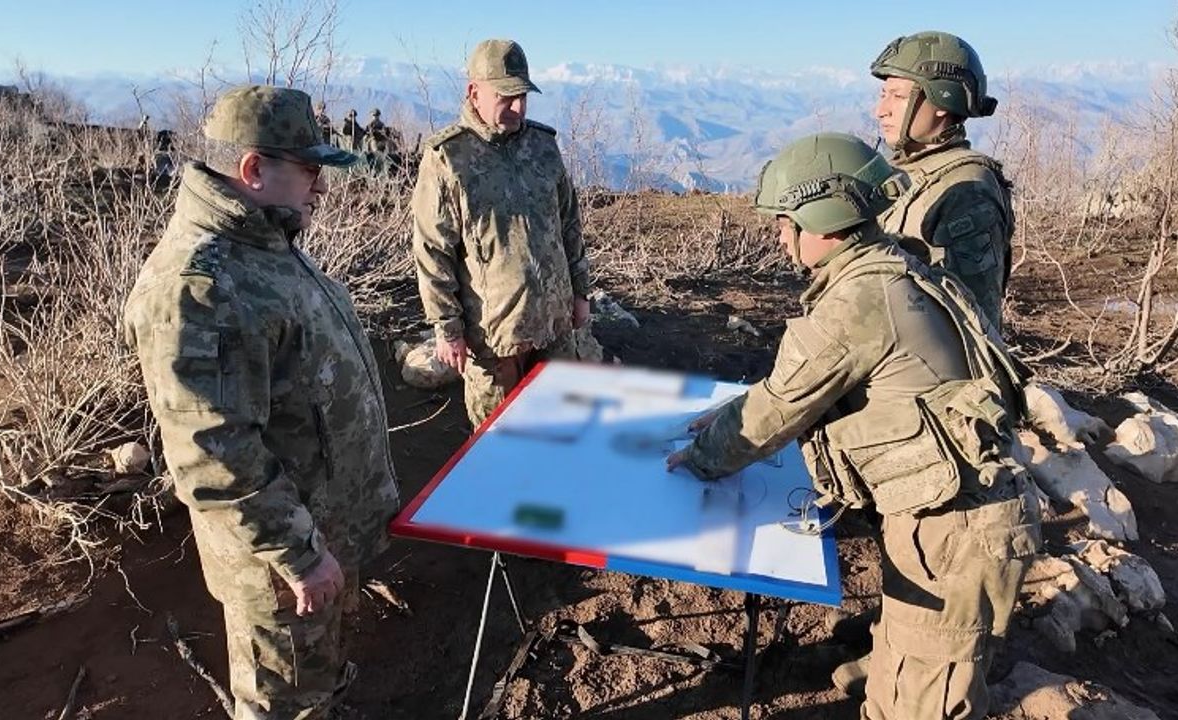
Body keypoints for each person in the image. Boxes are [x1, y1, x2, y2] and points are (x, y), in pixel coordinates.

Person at [666, 133, 1040, 720]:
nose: (781, 235)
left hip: (957, 533)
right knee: (896, 672)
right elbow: (800, 389)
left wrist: (700, 456)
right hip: (945, 518)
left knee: (922, 703)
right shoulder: (888, 268)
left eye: (788, 220)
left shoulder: (859, 302)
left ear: (826, 217)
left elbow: (770, 416)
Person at [122, 84, 401, 719]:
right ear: (254, 170)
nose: (321, 189)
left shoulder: (258, 243)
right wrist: (301, 556)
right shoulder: (201, 286)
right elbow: (215, 456)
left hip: (316, 536)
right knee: (284, 700)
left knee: (316, 679)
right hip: (280, 566)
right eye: (309, 172)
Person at [411, 38, 589, 429]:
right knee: (497, 444)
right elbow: (432, 251)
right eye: (506, 97)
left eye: (523, 96)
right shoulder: (448, 158)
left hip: (554, 326)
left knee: (564, 431)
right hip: (493, 339)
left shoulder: (542, 147)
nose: (519, 107)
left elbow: (569, 224)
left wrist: (580, 293)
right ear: (474, 92)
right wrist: (447, 328)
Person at [872, 31, 1015, 327]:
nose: (881, 110)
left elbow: (973, 320)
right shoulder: (902, 171)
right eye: (883, 94)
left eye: (897, 96)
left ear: (942, 99)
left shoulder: (967, 188)